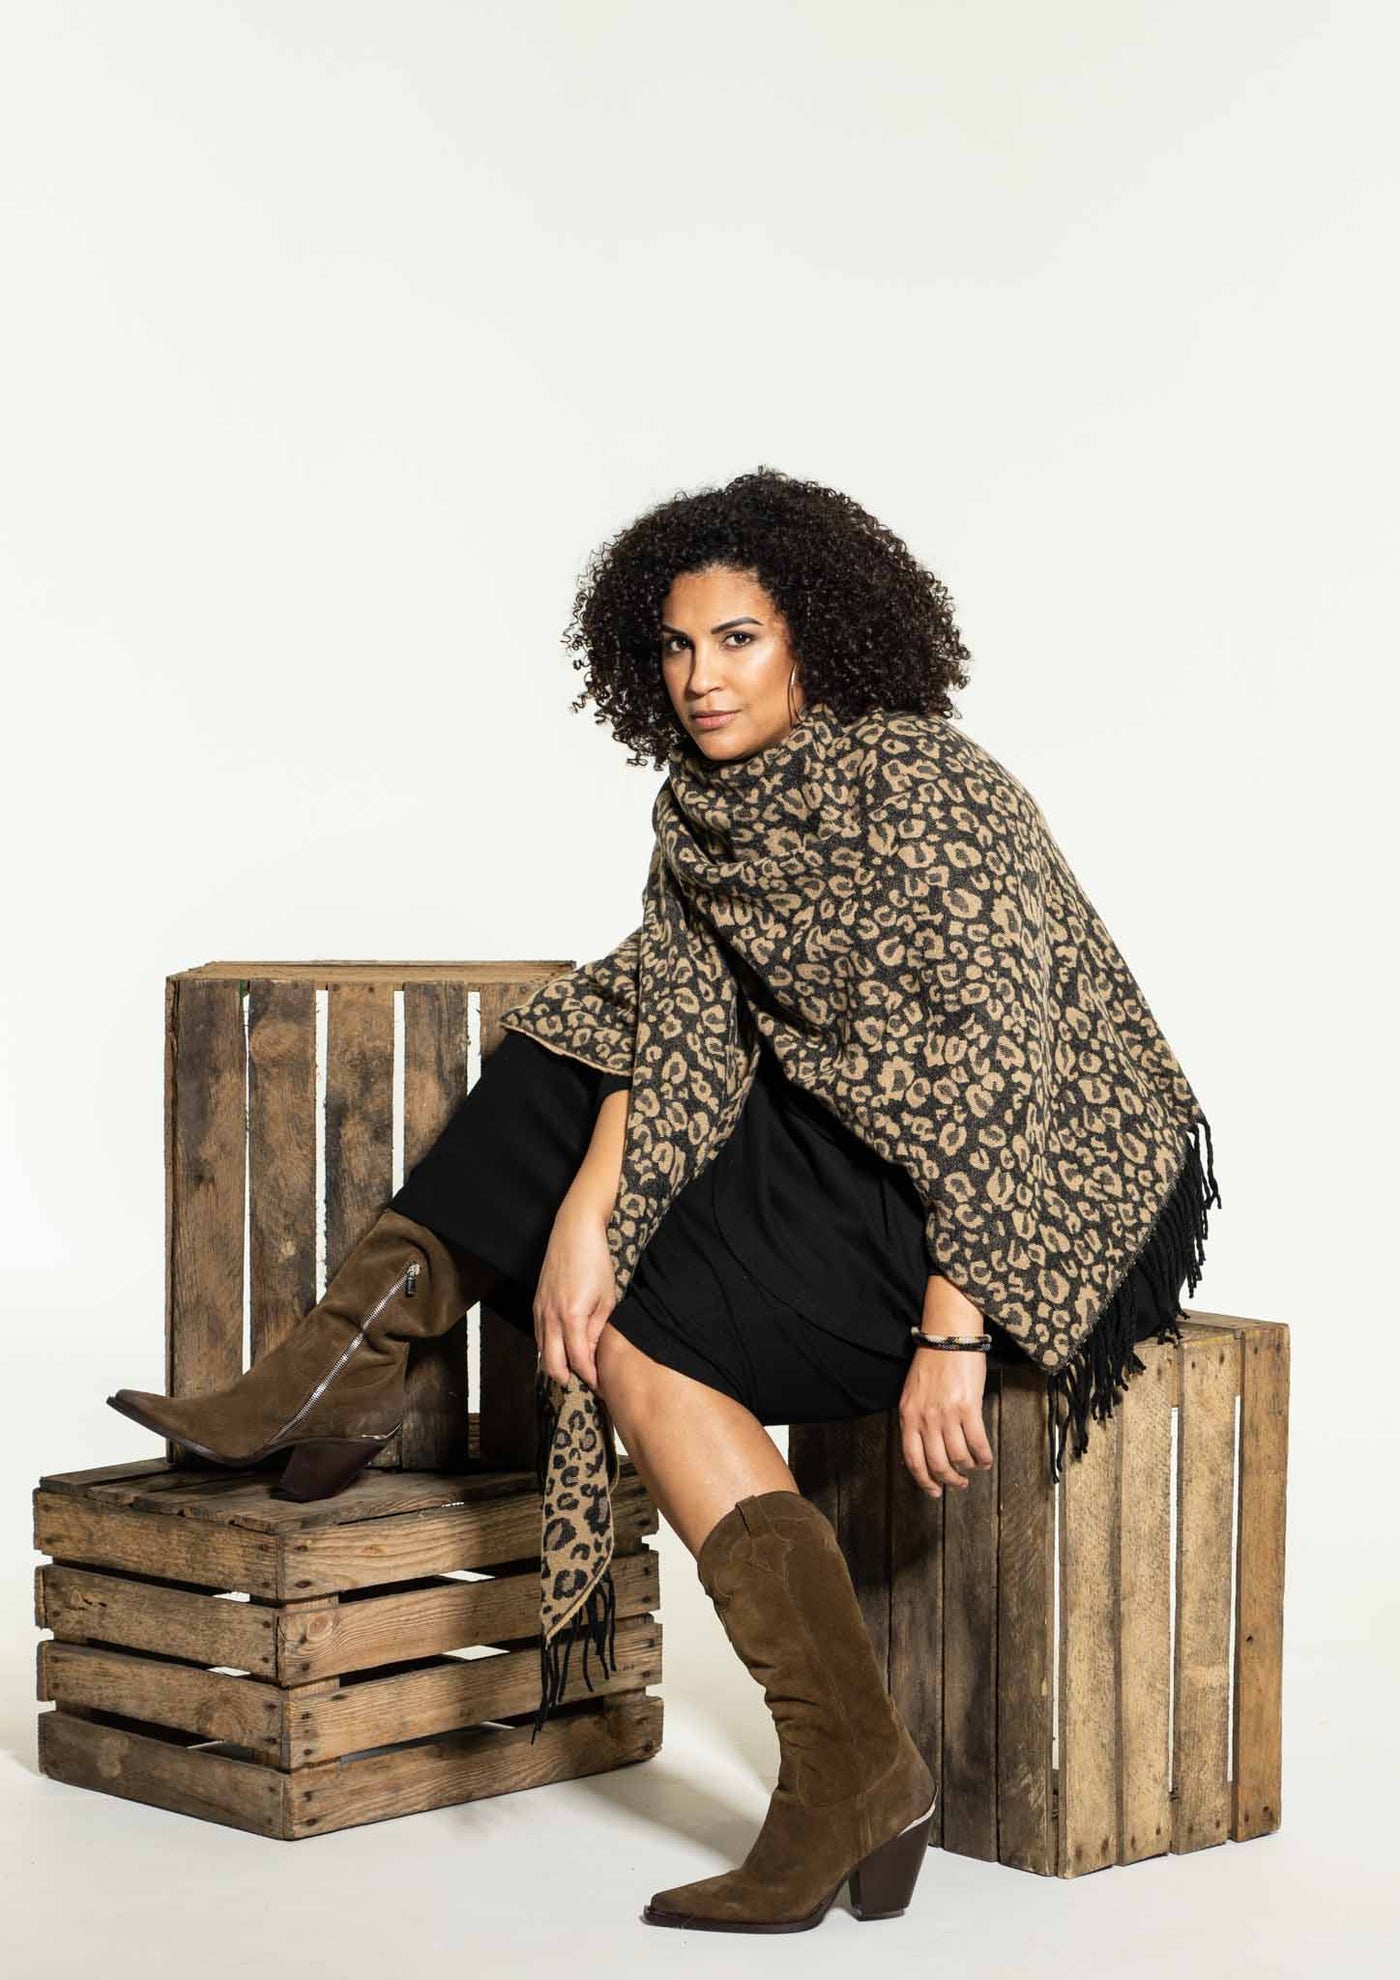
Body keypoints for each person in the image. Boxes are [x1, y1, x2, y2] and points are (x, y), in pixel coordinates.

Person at [108, 466, 1218, 1933]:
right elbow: (680, 1030)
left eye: (739, 639)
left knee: (641, 1332)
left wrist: (956, 1329)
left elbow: (999, 1073)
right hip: (848, 1141)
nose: (701, 679)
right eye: (678, 646)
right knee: (576, 1039)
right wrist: (589, 1217)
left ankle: (845, 1768)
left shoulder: (928, 788)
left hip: (1039, 1191)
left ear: (819, 636)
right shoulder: (704, 810)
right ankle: (348, 1366)